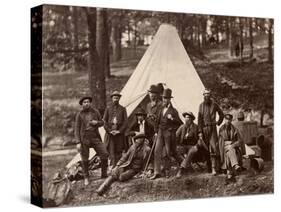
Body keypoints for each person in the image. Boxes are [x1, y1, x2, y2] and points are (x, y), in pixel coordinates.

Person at [75, 96, 109, 186]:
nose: (87, 103)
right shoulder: (79, 114)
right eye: (85, 102)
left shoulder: (95, 112)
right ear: (82, 104)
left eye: (88, 102)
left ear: (90, 103)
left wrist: (96, 123)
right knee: (85, 158)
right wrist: (78, 142)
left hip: (94, 136)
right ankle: (86, 177)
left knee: (104, 153)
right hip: (84, 138)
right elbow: (77, 129)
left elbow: (102, 123)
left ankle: (104, 174)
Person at [150, 88, 182, 180]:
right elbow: (157, 121)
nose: (165, 100)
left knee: (167, 152)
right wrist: (156, 131)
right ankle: (157, 172)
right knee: (157, 150)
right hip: (160, 131)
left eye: (167, 98)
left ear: (169, 99)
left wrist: (172, 119)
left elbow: (179, 123)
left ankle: (167, 171)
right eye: (164, 98)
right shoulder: (161, 108)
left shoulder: (174, 111)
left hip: (168, 132)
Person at [198, 89, 224, 175]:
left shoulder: (214, 104)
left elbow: (221, 114)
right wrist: (200, 131)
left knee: (214, 147)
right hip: (205, 128)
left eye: (208, 94)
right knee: (205, 148)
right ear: (203, 95)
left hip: (212, 128)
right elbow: (199, 120)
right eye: (205, 94)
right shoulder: (201, 106)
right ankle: (209, 167)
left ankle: (216, 168)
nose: (207, 96)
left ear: (210, 95)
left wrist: (218, 122)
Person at [175, 112, 208, 178]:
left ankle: (181, 169)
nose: (186, 119)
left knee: (192, 150)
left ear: (192, 119)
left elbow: (200, 137)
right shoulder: (182, 127)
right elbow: (176, 136)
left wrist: (198, 143)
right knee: (175, 150)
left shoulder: (196, 127)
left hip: (193, 146)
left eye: (188, 117)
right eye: (185, 117)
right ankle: (189, 167)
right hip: (183, 146)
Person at [103, 91, 128, 167]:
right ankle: (113, 167)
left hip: (119, 134)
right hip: (110, 134)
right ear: (112, 99)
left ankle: (118, 167)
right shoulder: (108, 108)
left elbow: (125, 122)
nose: (115, 99)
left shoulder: (123, 109)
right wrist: (109, 131)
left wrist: (119, 131)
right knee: (111, 150)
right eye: (114, 98)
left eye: (117, 98)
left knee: (119, 150)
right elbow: (104, 121)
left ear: (119, 98)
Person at [218, 114, 243, 183]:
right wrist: (226, 146)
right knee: (229, 149)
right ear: (224, 120)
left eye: (229, 119)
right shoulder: (221, 129)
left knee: (230, 151)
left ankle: (229, 175)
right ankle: (235, 165)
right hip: (224, 146)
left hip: (233, 146)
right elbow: (220, 142)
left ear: (231, 120)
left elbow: (240, 140)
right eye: (226, 119)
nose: (228, 121)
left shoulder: (234, 129)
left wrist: (234, 144)